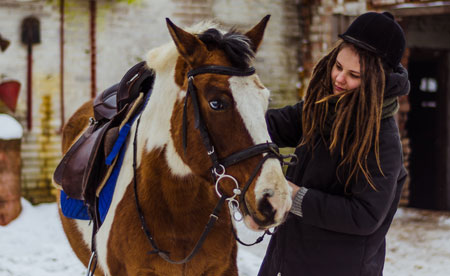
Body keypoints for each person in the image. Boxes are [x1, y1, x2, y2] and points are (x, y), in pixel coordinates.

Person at [258, 12, 410, 276]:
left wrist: (293, 195)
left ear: (377, 80)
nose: (339, 79)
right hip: (286, 260)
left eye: (354, 75)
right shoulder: (323, 107)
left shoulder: (383, 140)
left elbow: (365, 216)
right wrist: (230, 118)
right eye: (338, 66)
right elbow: (273, 126)